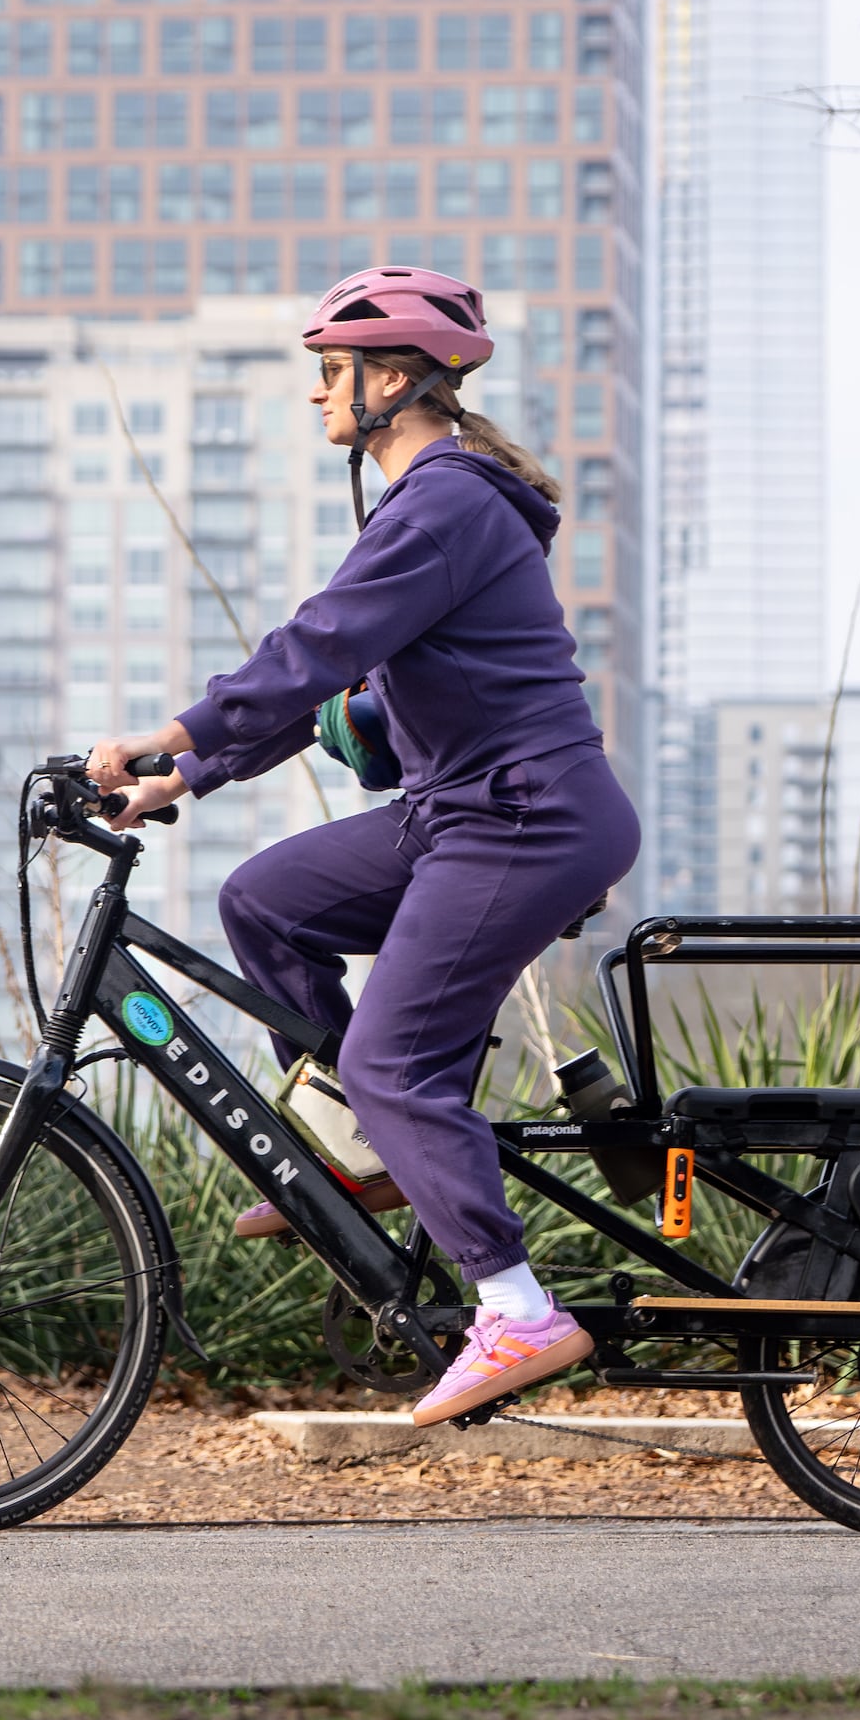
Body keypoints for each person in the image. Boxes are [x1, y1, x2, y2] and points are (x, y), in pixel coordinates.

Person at [88, 265, 640, 1429]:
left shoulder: (446, 502)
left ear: (393, 381)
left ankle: (515, 1305)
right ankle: (369, 1151)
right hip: (462, 810)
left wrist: (172, 729)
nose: (317, 396)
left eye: (330, 374)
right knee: (266, 902)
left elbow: (315, 645)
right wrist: (185, 772)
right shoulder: (429, 503)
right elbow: (334, 674)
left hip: (523, 818)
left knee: (396, 1060)